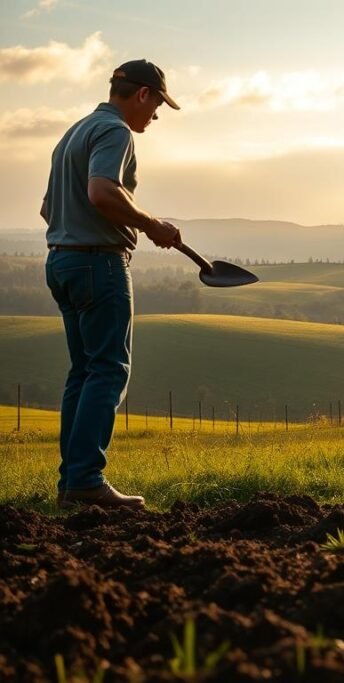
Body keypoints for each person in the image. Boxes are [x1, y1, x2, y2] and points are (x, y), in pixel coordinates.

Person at [41, 59, 182, 510]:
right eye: (157, 104)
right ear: (142, 94)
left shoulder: (73, 133)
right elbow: (102, 192)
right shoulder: (115, 131)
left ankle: (72, 482)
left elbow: (49, 208)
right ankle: (85, 480)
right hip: (98, 265)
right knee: (108, 370)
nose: (156, 116)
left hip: (62, 261)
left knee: (83, 372)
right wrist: (149, 223)